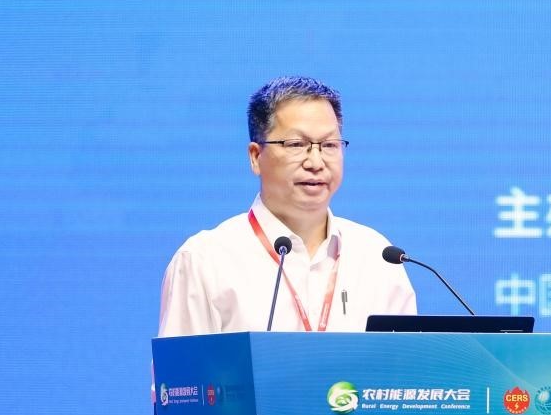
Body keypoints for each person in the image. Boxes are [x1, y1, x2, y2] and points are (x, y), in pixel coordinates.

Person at [158, 76, 416, 336]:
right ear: (255, 156)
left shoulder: (377, 258)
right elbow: (182, 364)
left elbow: (407, 361)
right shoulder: (205, 261)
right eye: (296, 145)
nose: (315, 162)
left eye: (329, 145)